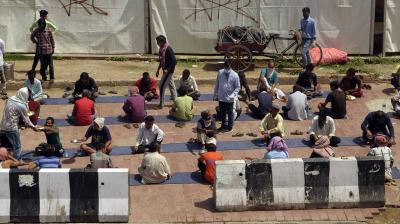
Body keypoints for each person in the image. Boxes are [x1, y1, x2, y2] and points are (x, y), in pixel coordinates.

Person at [0, 87, 39, 158]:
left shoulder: (10, 99)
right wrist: (34, 127)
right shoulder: (21, 106)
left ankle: (4, 161)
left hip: (2, 127)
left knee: (5, 146)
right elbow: (27, 120)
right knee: (17, 147)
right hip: (12, 129)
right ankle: (14, 163)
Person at [213, 62, 240, 132]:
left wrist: (233, 95)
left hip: (230, 98)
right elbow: (217, 83)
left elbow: (238, 87)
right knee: (222, 112)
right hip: (221, 97)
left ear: (230, 67)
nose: (227, 69)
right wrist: (215, 94)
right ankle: (223, 125)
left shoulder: (235, 75)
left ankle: (230, 127)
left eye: (228, 68)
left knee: (230, 113)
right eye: (226, 68)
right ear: (224, 67)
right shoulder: (220, 72)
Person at [156, 35, 177, 108]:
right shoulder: (161, 49)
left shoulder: (168, 49)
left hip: (169, 71)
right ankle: (176, 101)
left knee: (161, 86)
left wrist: (167, 69)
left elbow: (174, 61)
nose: (157, 43)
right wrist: (158, 69)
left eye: (158, 42)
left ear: (162, 42)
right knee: (172, 86)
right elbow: (161, 60)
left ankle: (161, 103)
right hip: (165, 70)